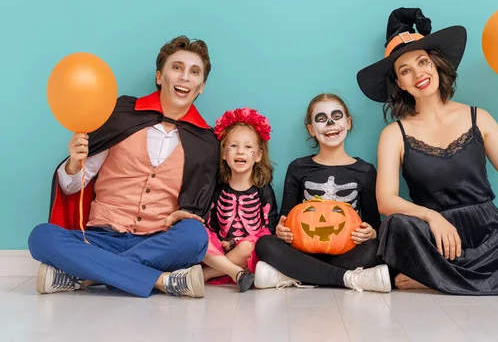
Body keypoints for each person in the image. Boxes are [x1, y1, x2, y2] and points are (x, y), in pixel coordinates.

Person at [356, 7, 498, 295]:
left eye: (423, 62)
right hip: (436, 239)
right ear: (399, 83)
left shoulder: (479, 117)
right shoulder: (394, 134)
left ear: (437, 65)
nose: (418, 74)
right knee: (395, 226)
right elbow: (386, 201)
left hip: (490, 235)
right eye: (406, 70)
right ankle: (455, 274)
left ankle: (434, 276)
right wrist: (433, 217)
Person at [28, 35, 220, 298]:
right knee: (41, 237)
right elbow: (72, 187)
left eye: (194, 72)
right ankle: (162, 281)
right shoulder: (120, 115)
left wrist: (186, 213)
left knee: (195, 237)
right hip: (100, 237)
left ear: (201, 87)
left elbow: (197, 205)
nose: (185, 77)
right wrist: (74, 163)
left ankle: (85, 277)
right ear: (159, 77)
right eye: (177, 67)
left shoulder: (206, 142)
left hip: (156, 241)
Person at [254, 93, 391, 292]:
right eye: (321, 119)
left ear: (349, 122)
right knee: (265, 244)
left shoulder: (365, 170)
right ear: (311, 129)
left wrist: (370, 232)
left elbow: (373, 226)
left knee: (374, 250)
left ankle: (294, 274)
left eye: (337, 116)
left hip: (347, 251)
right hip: (304, 250)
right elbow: (285, 219)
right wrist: (281, 230)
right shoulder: (298, 167)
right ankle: (348, 278)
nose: (330, 123)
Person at [201, 107, 279, 292]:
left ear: (258, 155)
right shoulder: (218, 188)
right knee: (197, 235)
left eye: (248, 147)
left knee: (248, 247)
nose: (240, 152)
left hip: (248, 251)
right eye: (233, 146)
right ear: (225, 154)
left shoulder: (263, 189)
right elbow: (211, 223)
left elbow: (270, 226)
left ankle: (206, 274)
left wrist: (236, 243)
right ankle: (232, 270)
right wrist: (222, 242)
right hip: (222, 248)